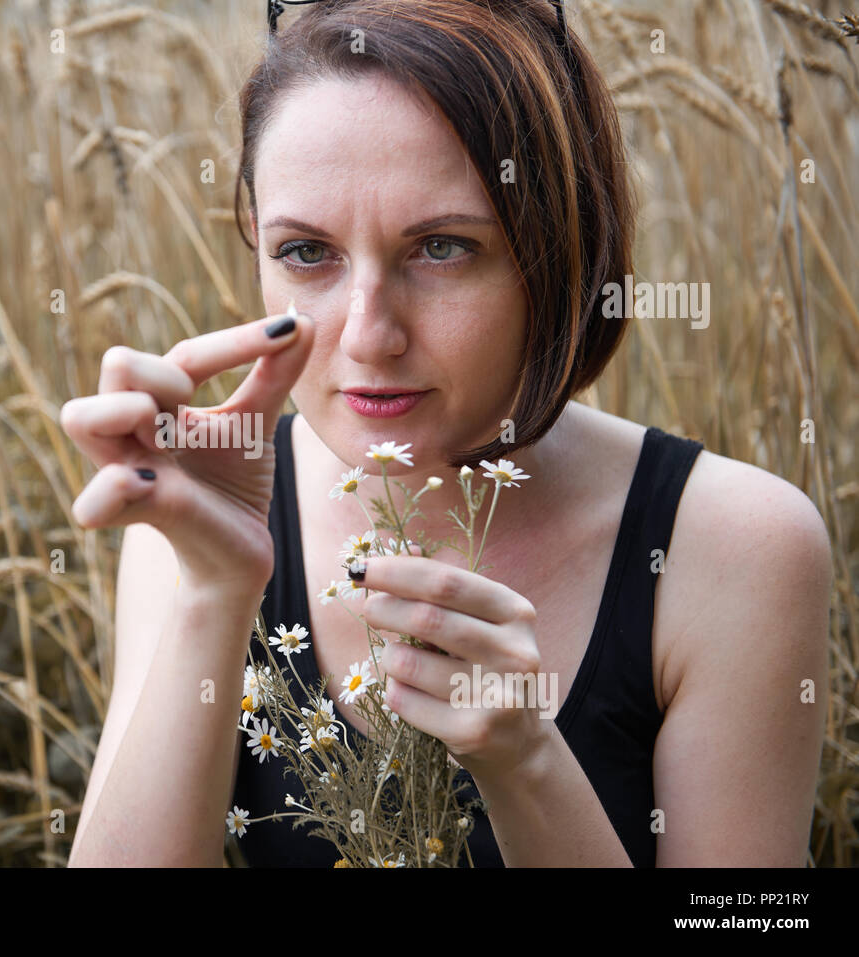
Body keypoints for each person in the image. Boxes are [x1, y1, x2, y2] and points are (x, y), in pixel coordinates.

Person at [62, 0, 831, 867]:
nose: (366, 335)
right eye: (307, 253)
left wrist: (527, 762)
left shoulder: (732, 545)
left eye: (441, 249)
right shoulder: (204, 511)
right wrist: (212, 587)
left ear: (561, 244)